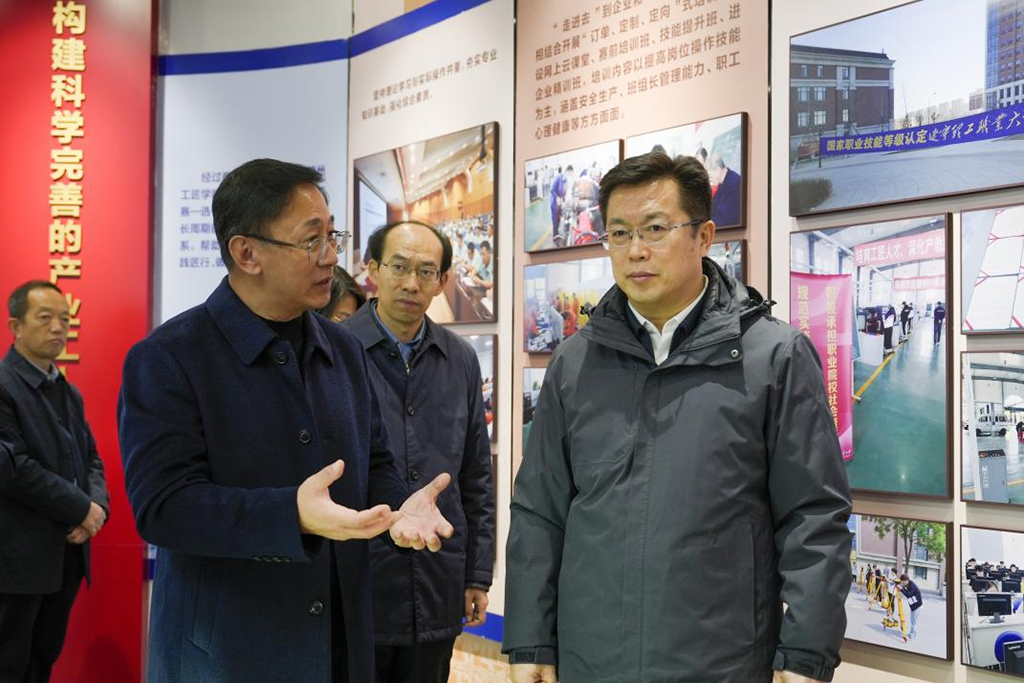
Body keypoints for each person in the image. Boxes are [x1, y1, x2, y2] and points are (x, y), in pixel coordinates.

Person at [503, 152, 852, 683]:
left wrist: (806, 653)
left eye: (655, 229)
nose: (635, 251)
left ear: (704, 236)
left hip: (723, 661)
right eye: (619, 233)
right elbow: (539, 510)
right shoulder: (575, 362)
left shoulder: (773, 357)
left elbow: (814, 516)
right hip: (592, 659)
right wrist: (530, 640)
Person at [118, 159, 455, 683]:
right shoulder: (169, 357)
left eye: (332, 236)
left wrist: (398, 509)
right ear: (246, 253)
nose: (331, 257)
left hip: (340, 644)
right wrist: (290, 515)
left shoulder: (343, 349)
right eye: (311, 240)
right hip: (228, 652)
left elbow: (374, 461)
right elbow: (164, 507)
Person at [344, 220, 495, 683]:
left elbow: (476, 475)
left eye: (426, 271)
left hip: (436, 580)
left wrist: (477, 574)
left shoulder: (460, 359)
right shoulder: (337, 350)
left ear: (443, 280)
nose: (411, 283)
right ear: (373, 269)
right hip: (357, 583)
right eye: (399, 267)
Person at [0, 280, 110, 683]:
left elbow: (91, 458)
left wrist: (96, 509)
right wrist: (80, 508)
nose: (58, 327)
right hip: (17, 559)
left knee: (43, 660)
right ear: (16, 326)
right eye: (45, 318)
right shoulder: (4, 386)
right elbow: (15, 468)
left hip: (66, 554)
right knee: (9, 664)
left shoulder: (68, 391)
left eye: (65, 319)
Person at [708, 153, 742, 228]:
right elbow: (713, 209)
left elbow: (726, 220)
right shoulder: (722, 183)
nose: (709, 179)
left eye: (710, 175)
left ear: (718, 169)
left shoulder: (734, 183)